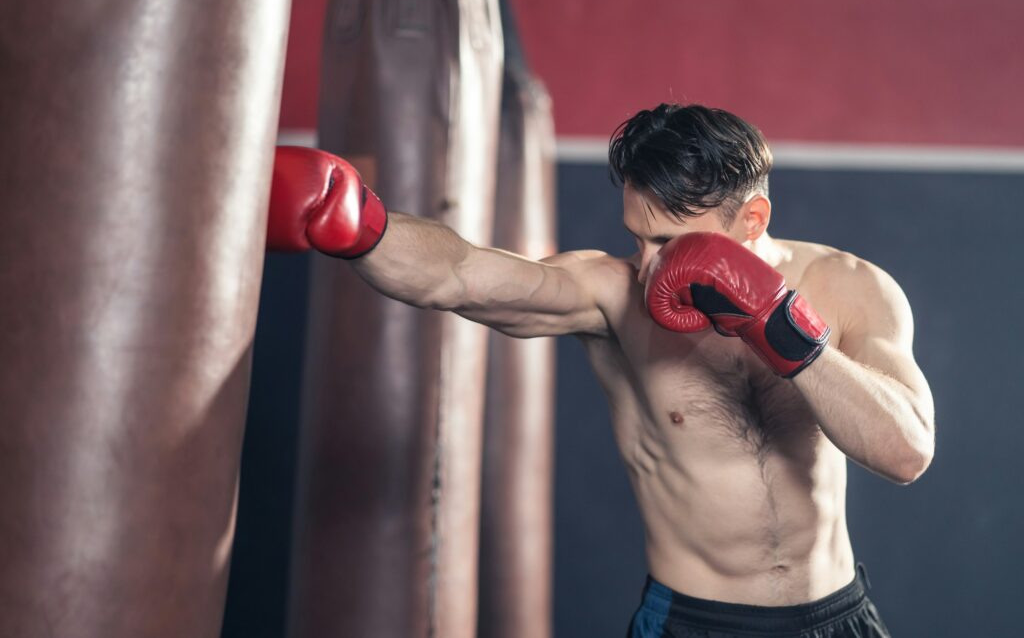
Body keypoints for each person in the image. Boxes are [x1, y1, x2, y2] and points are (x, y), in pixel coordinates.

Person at [269, 103, 934, 637]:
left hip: (836, 616)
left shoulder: (849, 287)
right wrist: (359, 223)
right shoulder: (613, 296)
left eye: (671, 243)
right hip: (693, 623)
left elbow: (905, 452)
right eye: (637, 237)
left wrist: (781, 325)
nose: (649, 266)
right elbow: (460, 274)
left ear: (752, 217)